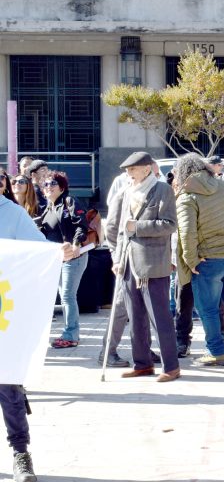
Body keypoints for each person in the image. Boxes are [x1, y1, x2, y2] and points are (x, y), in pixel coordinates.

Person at [0, 193, 77, 482]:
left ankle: (20, 454)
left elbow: (39, 249)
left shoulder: (12, 213)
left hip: (4, 317)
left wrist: (59, 252)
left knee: (8, 385)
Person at [105, 151, 180, 382]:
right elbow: (118, 229)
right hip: (128, 262)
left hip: (153, 263)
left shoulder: (162, 189)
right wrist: (117, 259)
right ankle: (142, 363)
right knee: (135, 317)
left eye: (133, 169)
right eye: (127, 170)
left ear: (147, 168)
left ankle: (171, 366)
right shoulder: (127, 191)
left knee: (160, 318)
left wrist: (138, 226)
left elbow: (169, 225)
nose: (128, 173)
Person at [175, 153, 224, 366]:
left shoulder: (186, 196)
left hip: (207, 260)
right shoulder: (223, 186)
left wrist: (191, 261)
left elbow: (187, 233)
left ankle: (216, 351)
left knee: (207, 308)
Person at [37, 171, 89, 349]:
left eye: (53, 184)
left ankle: (71, 334)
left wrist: (75, 244)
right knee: (63, 295)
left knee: (67, 295)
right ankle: (70, 332)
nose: (49, 187)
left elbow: (81, 224)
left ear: (62, 187)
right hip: (58, 257)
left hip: (74, 256)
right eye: (46, 184)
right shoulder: (48, 208)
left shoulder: (69, 202)